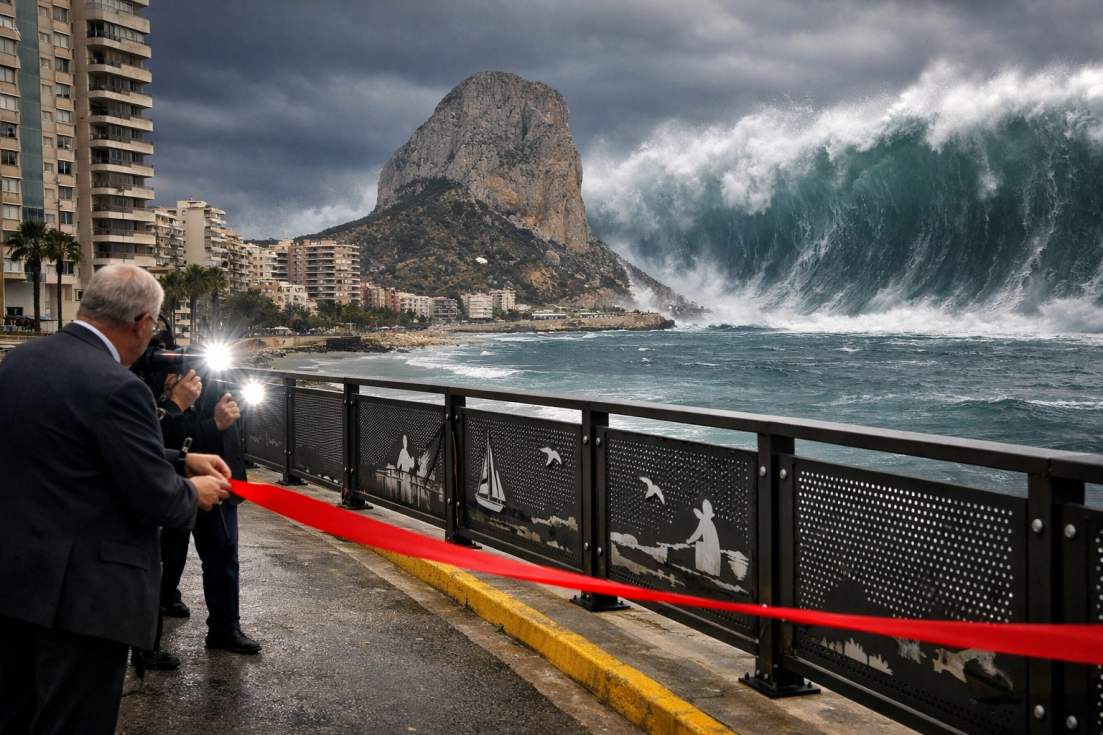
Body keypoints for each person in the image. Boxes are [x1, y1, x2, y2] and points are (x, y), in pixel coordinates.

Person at [0, 264, 233, 734]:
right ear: (141, 322)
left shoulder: (21, 362)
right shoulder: (119, 387)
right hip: (84, 600)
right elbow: (156, 501)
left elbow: (74, 445)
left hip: (17, 582)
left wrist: (180, 458)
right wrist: (193, 491)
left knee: (16, 717)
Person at [159, 366, 262, 655]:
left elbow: (240, 420)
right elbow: (161, 439)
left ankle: (225, 627)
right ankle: (155, 621)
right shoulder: (154, 382)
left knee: (224, 554)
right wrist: (211, 424)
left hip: (221, 480)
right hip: (175, 481)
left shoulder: (218, 378)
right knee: (167, 554)